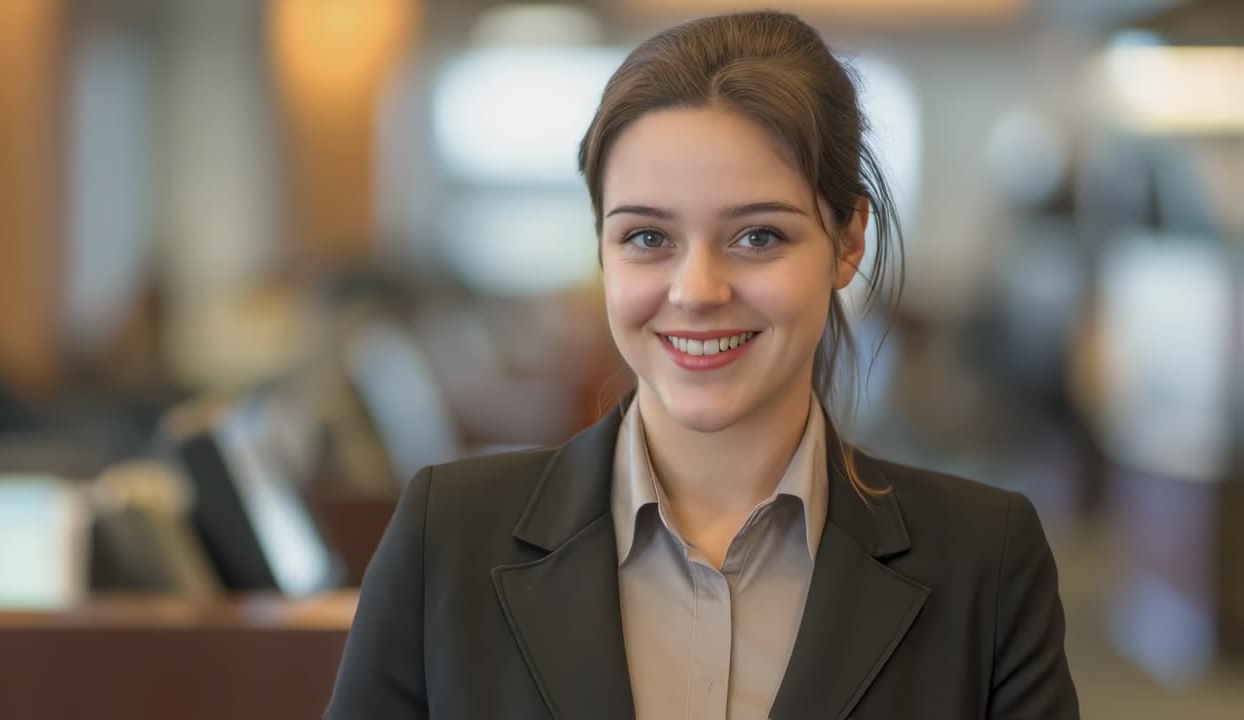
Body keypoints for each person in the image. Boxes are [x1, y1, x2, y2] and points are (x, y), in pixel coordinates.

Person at [325, 10, 1079, 719]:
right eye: (648, 238)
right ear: (602, 248)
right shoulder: (448, 537)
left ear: (848, 241)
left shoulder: (986, 559)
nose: (696, 292)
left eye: (757, 237)